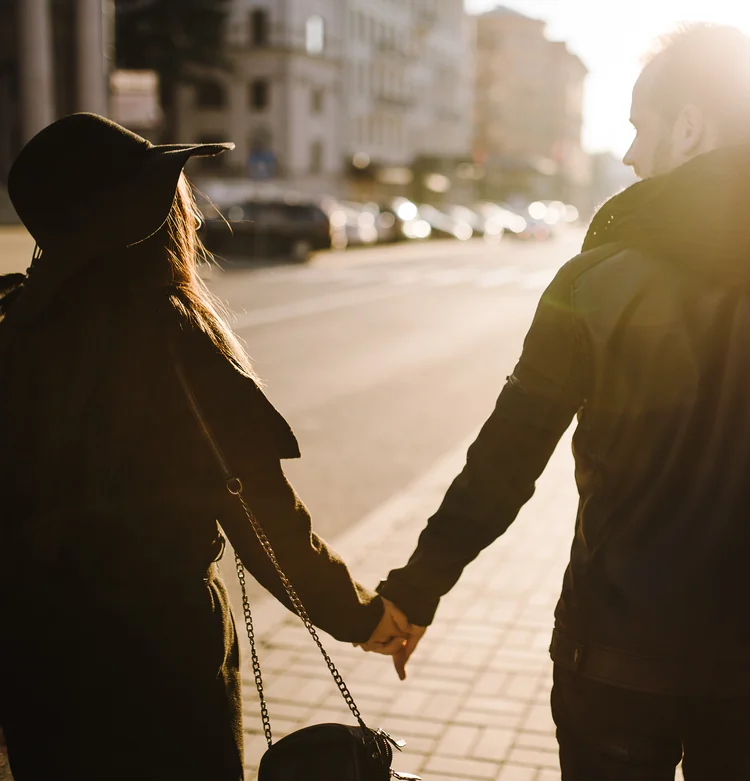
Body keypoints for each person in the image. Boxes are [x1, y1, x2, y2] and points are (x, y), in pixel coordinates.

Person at [374, 23, 750, 780]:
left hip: (614, 649)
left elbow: (506, 460)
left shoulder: (597, 279)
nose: (633, 154)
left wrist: (414, 592)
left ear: (688, 124)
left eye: (642, 127)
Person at [0, 113, 407, 781]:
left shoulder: (14, 323)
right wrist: (363, 615)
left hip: (35, 663)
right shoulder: (170, 336)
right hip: (157, 662)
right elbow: (265, 520)